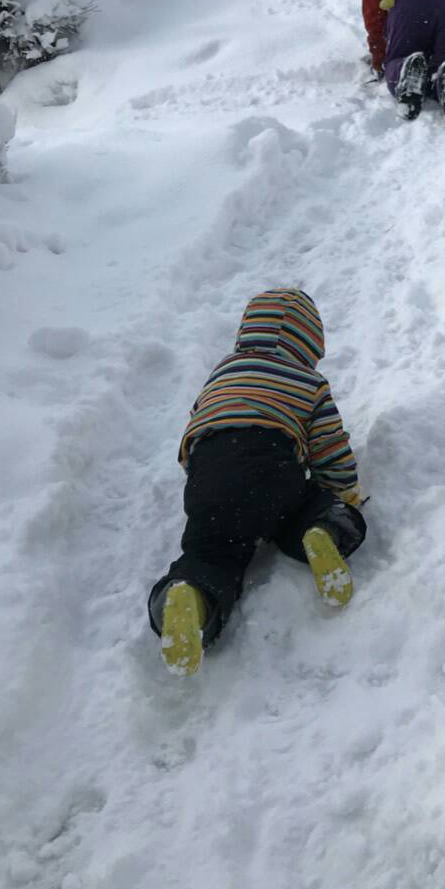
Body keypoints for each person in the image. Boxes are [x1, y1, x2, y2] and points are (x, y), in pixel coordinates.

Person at [147, 288, 366, 676]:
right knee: (299, 509)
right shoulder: (308, 380)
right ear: (311, 342)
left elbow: (196, 421)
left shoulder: (223, 370)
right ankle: (322, 532)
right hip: (272, 463)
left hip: (208, 471)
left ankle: (190, 597)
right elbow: (329, 445)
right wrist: (341, 490)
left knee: (212, 553)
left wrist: (199, 476)